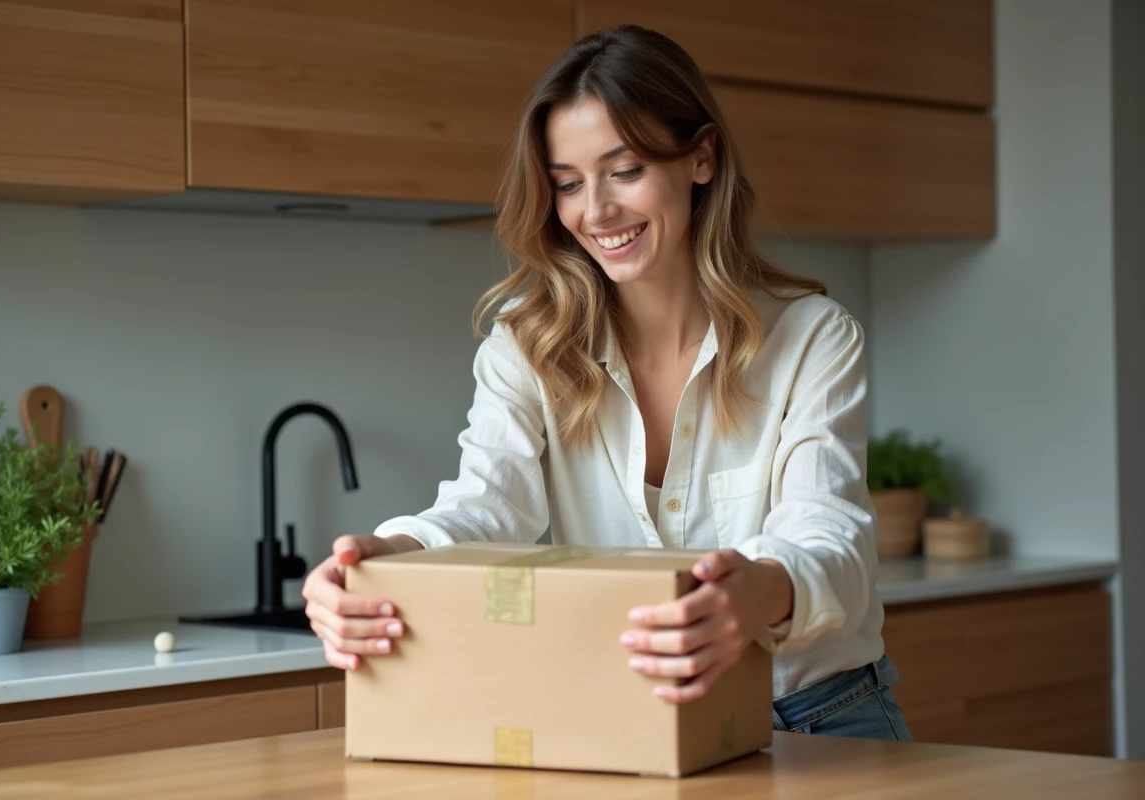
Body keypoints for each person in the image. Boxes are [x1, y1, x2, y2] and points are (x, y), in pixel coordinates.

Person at [302, 24, 912, 741]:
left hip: (821, 716)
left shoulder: (812, 337)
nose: (596, 211)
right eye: (567, 184)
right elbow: (486, 508)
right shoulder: (528, 347)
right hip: (631, 721)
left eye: (624, 171)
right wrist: (387, 559)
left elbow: (830, 537)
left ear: (701, 157)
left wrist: (757, 594)